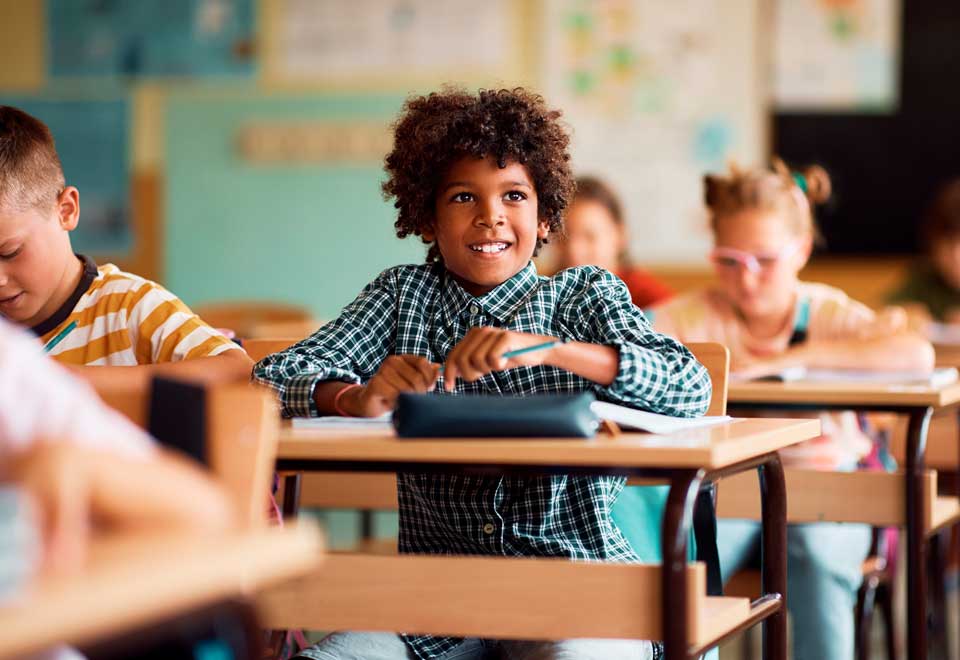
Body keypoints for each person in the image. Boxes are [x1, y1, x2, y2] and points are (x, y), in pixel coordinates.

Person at [254, 87, 711, 660]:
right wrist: (354, 397)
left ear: (545, 218)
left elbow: (690, 385)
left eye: (514, 195)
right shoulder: (403, 297)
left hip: (578, 594)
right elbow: (270, 377)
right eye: (464, 196)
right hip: (436, 603)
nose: (490, 215)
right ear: (426, 218)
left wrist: (554, 350)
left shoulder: (583, 293)